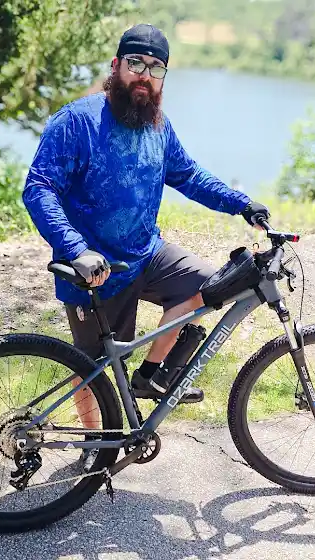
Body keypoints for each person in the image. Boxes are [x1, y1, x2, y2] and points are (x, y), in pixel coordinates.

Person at [22, 23, 270, 468]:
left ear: (163, 77)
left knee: (214, 284)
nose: (145, 75)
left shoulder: (158, 126)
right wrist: (76, 249)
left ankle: (152, 375)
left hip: (148, 254)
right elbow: (39, 188)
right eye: (136, 63)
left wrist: (241, 204)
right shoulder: (77, 122)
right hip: (95, 268)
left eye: (156, 68)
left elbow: (188, 175)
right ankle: (93, 446)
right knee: (92, 369)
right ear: (116, 65)